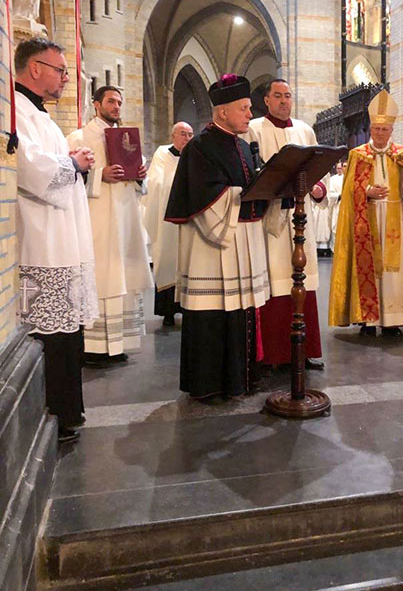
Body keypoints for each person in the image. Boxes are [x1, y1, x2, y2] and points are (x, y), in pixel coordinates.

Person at [165, 74, 270, 401]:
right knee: (212, 315)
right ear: (222, 112)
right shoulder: (199, 146)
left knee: (239, 312)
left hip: (242, 242)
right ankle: (208, 384)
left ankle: (240, 378)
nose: (249, 114)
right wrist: (249, 192)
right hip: (213, 248)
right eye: (243, 108)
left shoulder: (242, 145)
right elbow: (205, 197)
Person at [14, 37, 98, 443]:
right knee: (51, 335)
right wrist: (72, 162)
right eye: (60, 70)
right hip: (42, 243)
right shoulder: (14, 110)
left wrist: (75, 163)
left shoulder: (39, 115)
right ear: (34, 68)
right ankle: (56, 414)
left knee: (66, 335)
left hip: (61, 241)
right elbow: (29, 169)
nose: (66, 78)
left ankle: (67, 412)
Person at [329, 91, 403, 336]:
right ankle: (367, 320)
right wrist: (366, 191)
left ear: (391, 130)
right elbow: (349, 191)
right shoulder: (358, 155)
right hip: (367, 218)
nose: (379, 133)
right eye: (376, 129)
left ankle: (393, 320)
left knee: (394, 271)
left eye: (384, 130)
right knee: (371, 268)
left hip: (396, 218)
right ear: (370, 129)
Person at [67, 87, 153, 365]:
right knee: (102, 277)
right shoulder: (79, 137)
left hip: (125, 217)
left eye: (119, 102)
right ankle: (93, 347)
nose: (116, 107)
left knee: (122, 275)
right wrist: (98, 176)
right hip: (98, 219)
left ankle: (120, 342)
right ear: (96, 104)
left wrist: (141, 175)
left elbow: (143, 186)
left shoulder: (127, 138)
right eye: (110, 101)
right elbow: (67, 176)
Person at [246, 78, 326, 369]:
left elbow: (320, 170)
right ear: (266, 100)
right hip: (272, 220)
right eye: (277, 96)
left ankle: (305, 352)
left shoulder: (304, 130)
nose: (283, 101)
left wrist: (318, 188)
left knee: (304, 278)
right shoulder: (253, 129)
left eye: (288, 96)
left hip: (301, 218)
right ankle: (275, 355)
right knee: (275, 281)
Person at [143, 122, 194, 326]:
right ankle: (168, 312)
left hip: (189, 219)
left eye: (191, 135)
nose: (187, 138)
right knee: (168, 260)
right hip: (167, 220)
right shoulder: (162, 153)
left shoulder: (194, 156)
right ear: (173, 136)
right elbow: (155, 182)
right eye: (183, 134)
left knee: (188, 262)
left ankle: (188, 309)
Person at [328, 161, 345, 250]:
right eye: (338, 168)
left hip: (347, 205)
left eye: (341, 168)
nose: (339, 170)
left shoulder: (347, 177)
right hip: (337, 204)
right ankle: (335, 249)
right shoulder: (332, 179)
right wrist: (339, 196)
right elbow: (330, 193)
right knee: (336, 226)